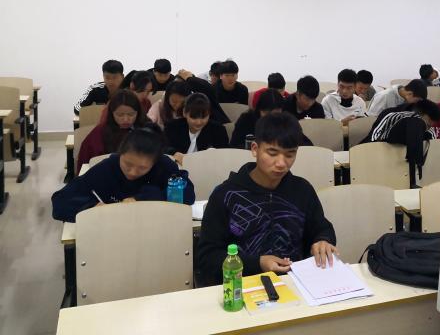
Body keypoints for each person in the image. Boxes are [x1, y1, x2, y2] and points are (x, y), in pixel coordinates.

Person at [196, 112, 337, 286]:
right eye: (272, 153)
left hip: (296, 284)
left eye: (290, 154)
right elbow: (207, 257)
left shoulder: (302, 190)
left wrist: (323, 240)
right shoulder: (225, 194)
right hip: (242, 286)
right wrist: (258, 263)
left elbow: (321, 228)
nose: (281, 163)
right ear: (255, 149)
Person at [52, 126, 195, 223]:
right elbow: (60, 201)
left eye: (142, 168)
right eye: (127, 164)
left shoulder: (164, 166)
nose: (132, 172)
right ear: (120, 153)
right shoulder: (106, 169)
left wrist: (144, 198)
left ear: (154, 162)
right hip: (110, 235)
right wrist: (91, 207)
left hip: (155, 230)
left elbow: (188, 194)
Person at [365, 99, 440, 185]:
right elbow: (372, 139)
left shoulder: (429, 131)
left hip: (406, 171)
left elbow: (433, 154)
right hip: (379, 161)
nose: (427, 128)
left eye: (430, 126)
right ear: (419, 114)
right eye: (427, 124)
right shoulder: (392, 117)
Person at [76, 90, 148, 173]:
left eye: (131, 114)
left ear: (138, 113)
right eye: (120, 115)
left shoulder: (146, 129)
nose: (125, 119)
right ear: (112, 113)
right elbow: (87, 163)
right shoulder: (100, 132)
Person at [164, 93, 229, 165]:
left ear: (209, 114)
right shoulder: (172, 127)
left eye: (203, 117)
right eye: (194, 117)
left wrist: (215, 153)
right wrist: (174, 153)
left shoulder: (218, 130)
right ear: (184, 113)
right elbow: (162, 146)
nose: (199, 122)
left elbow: (225, 154)